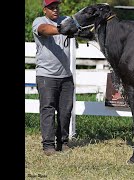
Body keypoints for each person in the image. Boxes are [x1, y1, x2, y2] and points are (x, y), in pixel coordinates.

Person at [32, 0, 74, 156]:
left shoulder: (66, 20)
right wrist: (62, 29)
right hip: (46, 76)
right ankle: (48, 146)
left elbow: (80, 28)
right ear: (45, 10)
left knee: (65, 111)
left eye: (57, 7)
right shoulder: (39, 22)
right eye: (51, 7)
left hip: (66, 76)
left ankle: (63, 143)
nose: (55, 10)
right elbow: (44, 30)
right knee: (48, 110)